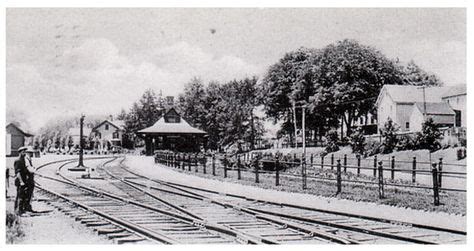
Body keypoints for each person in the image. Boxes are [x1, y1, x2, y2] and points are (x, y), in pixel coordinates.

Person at [14, 146, 29, 215]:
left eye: (25, 151)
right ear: (20, 152)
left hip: (23, 180)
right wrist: (21, 181)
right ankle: (18, 211)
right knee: (19, 196)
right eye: (23, 152)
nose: (25, 153)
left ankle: (21, 210)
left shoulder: (23, 160)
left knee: (22, 196)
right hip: (20, 181)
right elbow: (18, 172)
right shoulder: (18, 161)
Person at [24, 146, 37, 213]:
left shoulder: (29, 159)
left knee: (29, 193)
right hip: (28, 179)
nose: (32, 154)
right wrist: (35, 170)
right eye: (31, 153)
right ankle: (27, 207)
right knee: (28, 193)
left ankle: (28, 206)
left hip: (30, 178)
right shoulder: (26, 159)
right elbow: (29, 169)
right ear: (28, 153)